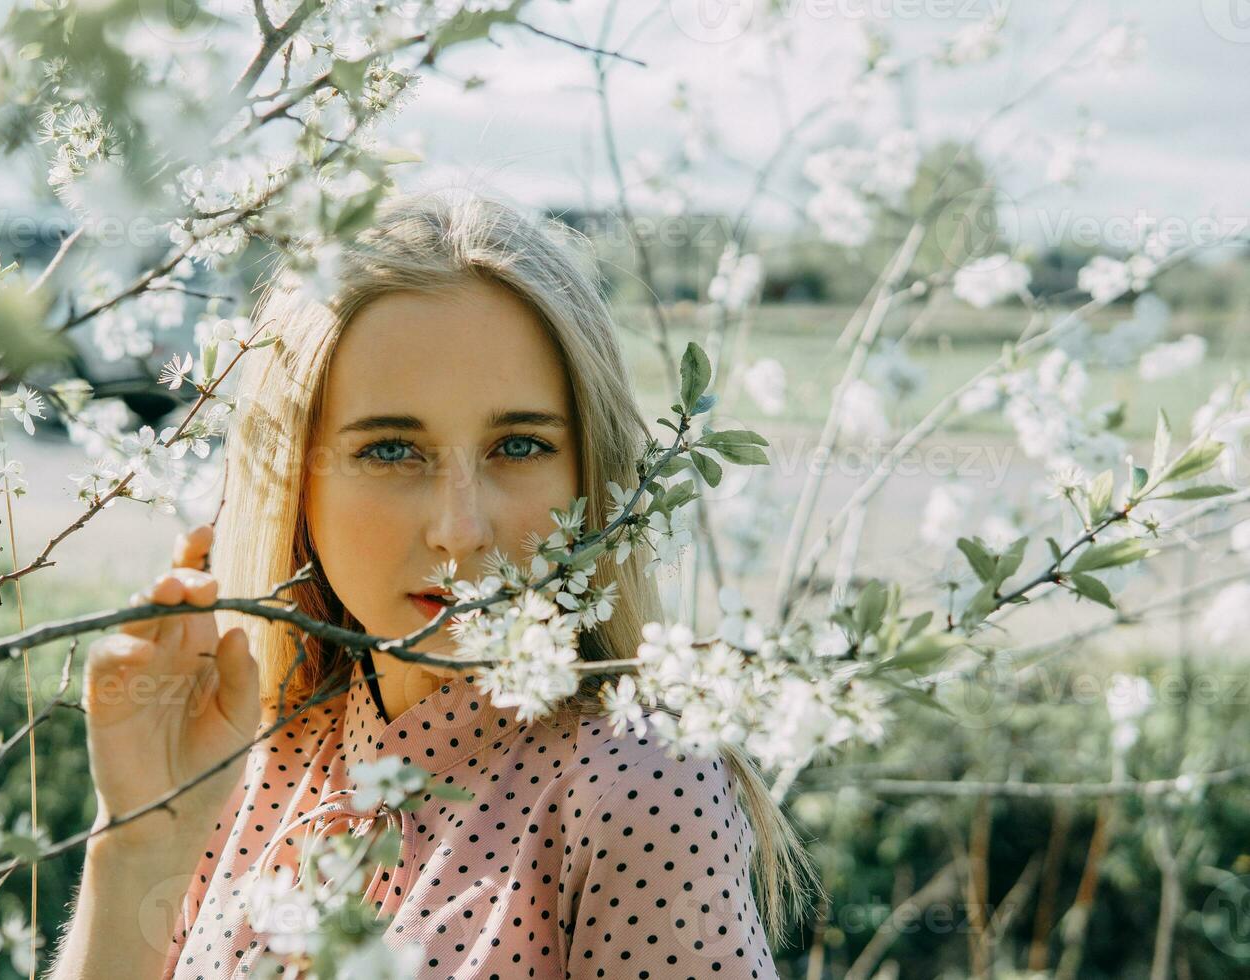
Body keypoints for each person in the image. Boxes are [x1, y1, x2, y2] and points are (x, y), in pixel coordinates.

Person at [46, 190, 813, 979]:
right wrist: (135, 844)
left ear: (590, 467)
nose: (460, 528)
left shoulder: (640, 784)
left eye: (518, 446)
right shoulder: (245, 749)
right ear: (294, 483)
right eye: (390, 451)